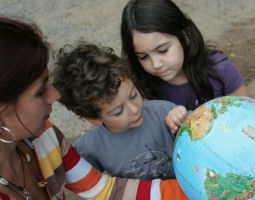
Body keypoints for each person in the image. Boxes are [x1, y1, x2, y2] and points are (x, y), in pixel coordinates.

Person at [0, 16, 189, 199]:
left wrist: (191, 191)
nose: (55, 95)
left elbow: (103, 190)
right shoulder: (88, 145)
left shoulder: (46, 137)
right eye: (40, 91)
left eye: (133, 95)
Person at [52, 42, 188, 180]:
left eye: (133, 95)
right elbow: (78, 178)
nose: (134, 109)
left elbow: (201, 132)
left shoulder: (164, 112)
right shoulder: (91, 146)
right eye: (118, 112)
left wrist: (183, 117)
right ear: (94, 119)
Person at [121, 0, 249, 110]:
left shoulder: (220, 69)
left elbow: (246, 111)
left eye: (163, 50)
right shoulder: (139, 89)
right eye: (143, 57)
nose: (156, 64)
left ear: (185, 36)